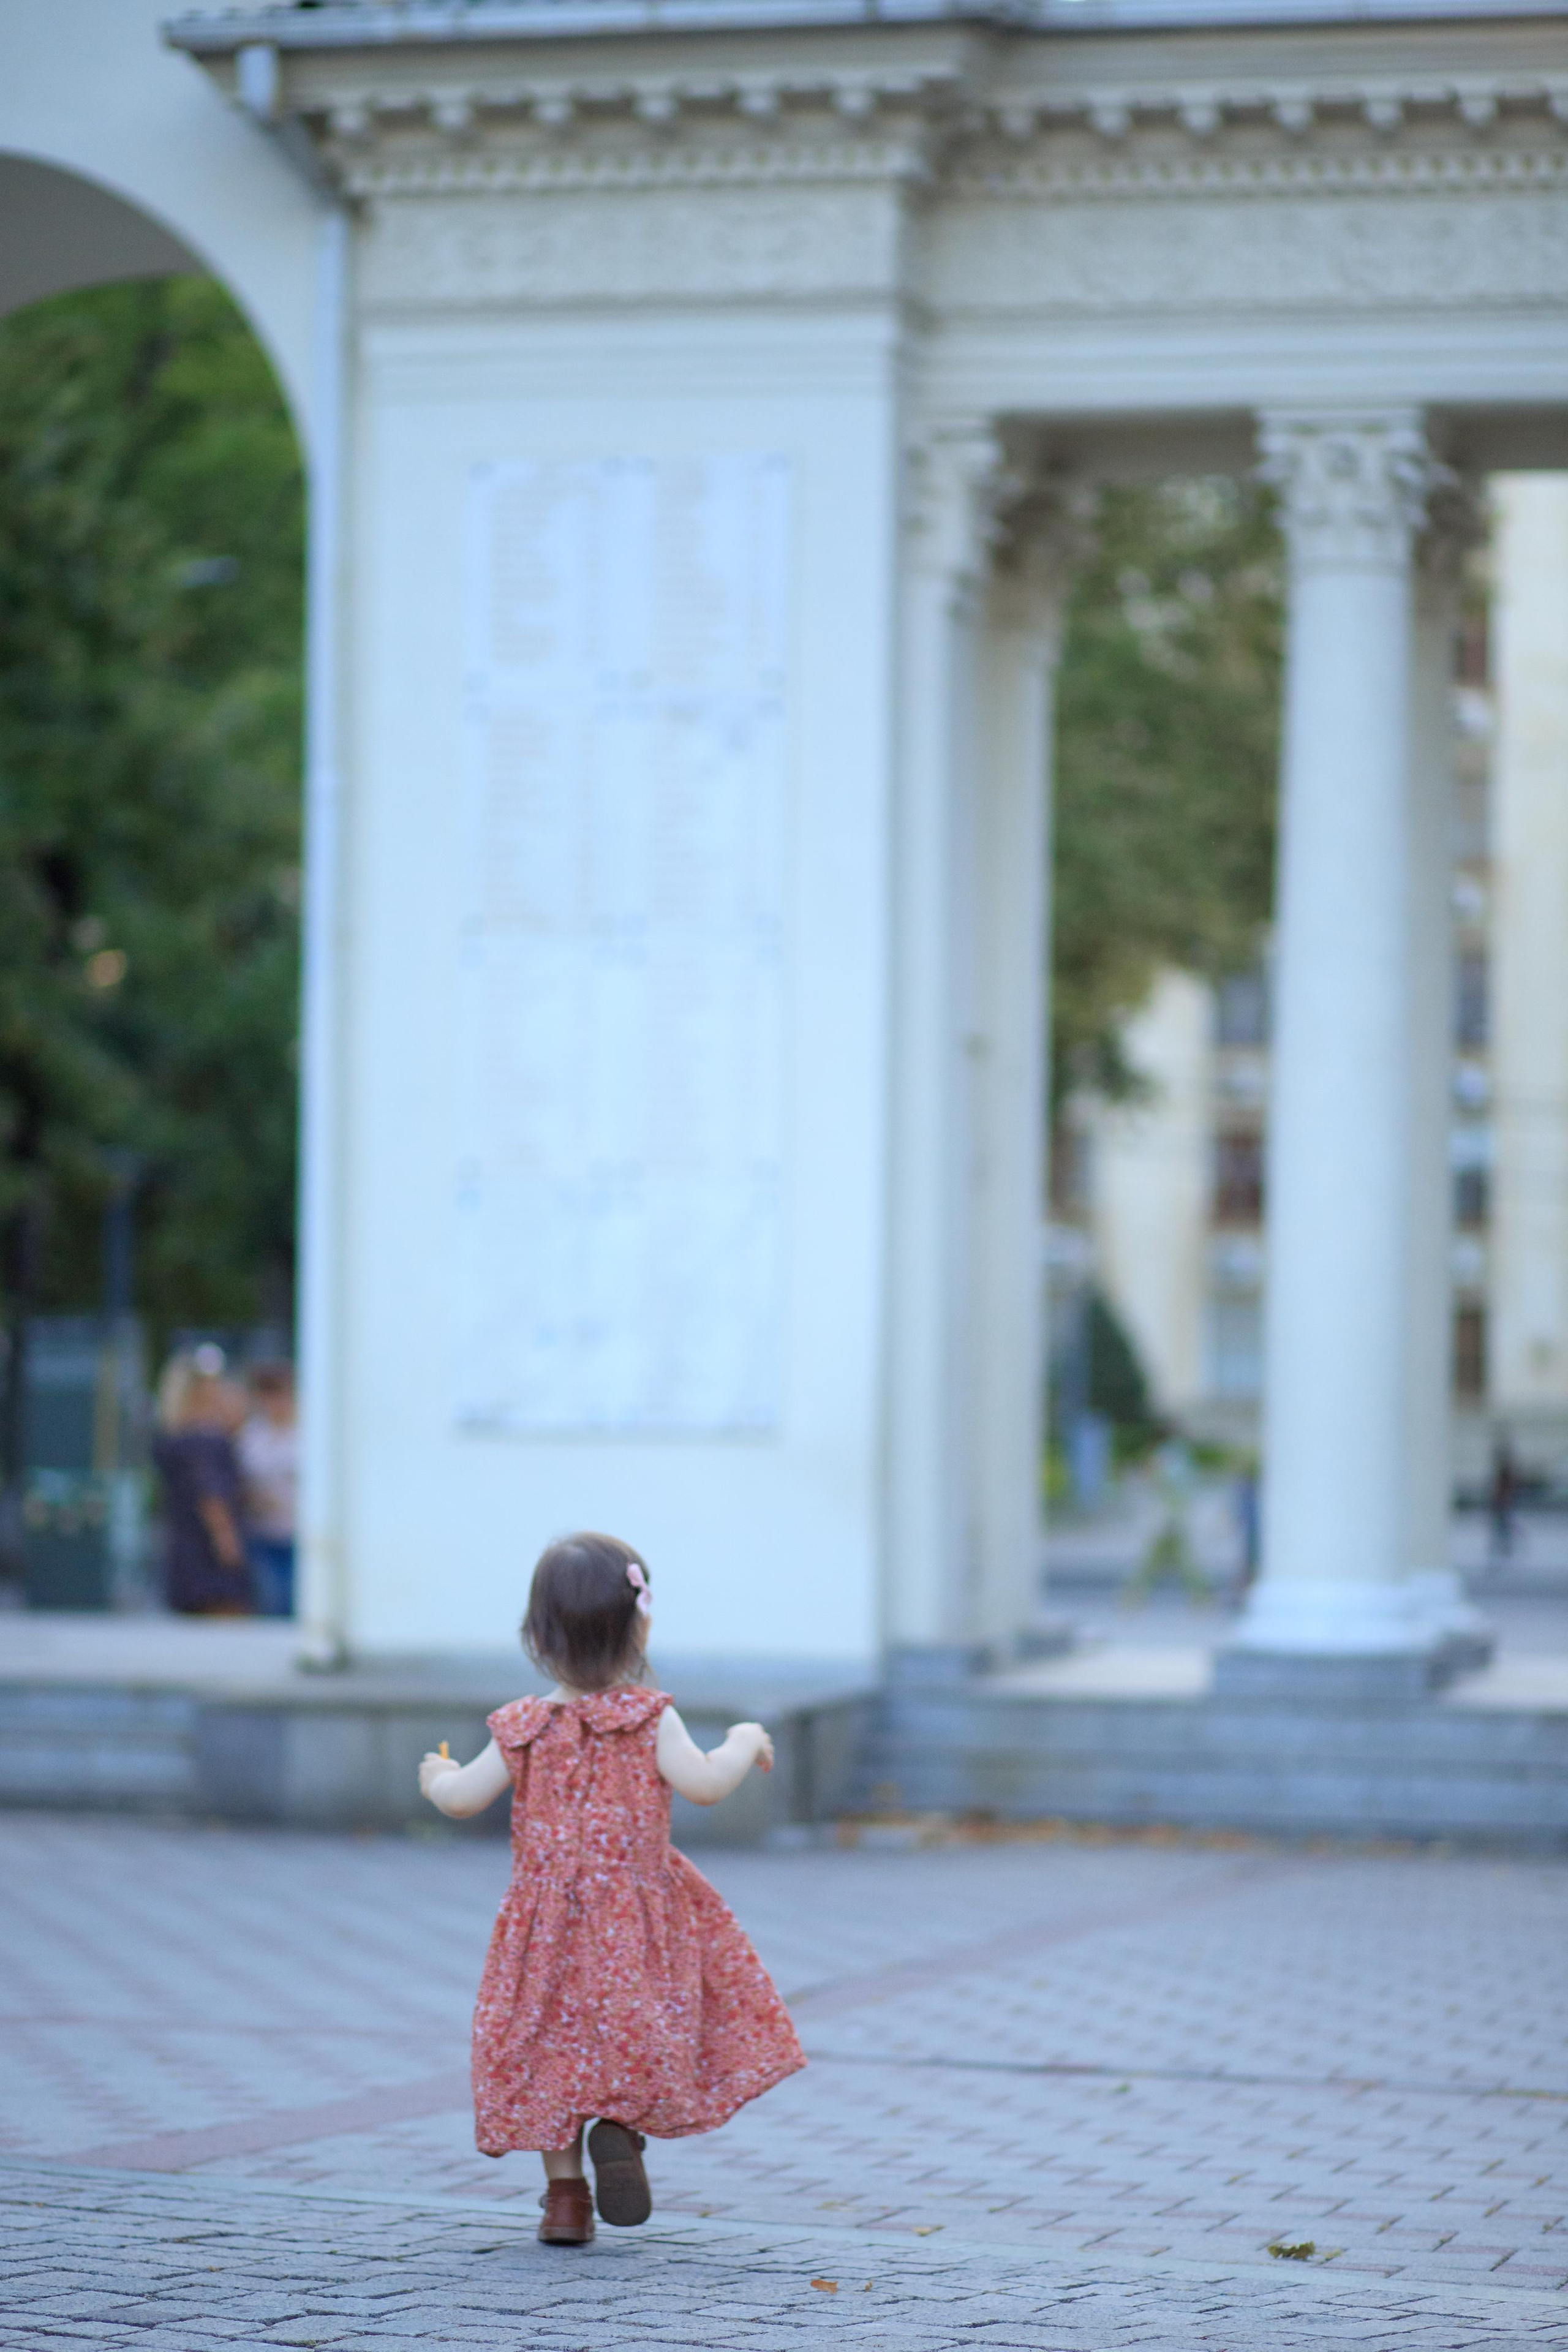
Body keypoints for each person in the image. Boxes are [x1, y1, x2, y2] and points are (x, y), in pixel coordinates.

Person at [418, 1532, 803, 2248]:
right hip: (635, 1921)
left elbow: (463, 1799)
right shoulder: (650, 1717)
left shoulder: (521, 1726)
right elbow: (705, 1785)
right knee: (637, 2029)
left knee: (548, 2050)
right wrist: (745, 1739)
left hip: (543, 1929)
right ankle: (621, 2126)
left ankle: (565, 2201)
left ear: (536, 1636)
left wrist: (436, 1777)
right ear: (640, 1627)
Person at [151, 1345, 251, 1616]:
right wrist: (227, 1540)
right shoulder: (205, 1440)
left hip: (185, 1549)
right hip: (209, 1553)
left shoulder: (177, 1435)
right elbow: (211, 1495)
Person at [238, 1362, 298, 1617]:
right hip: (264, 1532)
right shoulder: (252, 1436)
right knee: (272, 1600)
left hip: (297, 1532)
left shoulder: (307, 1434)